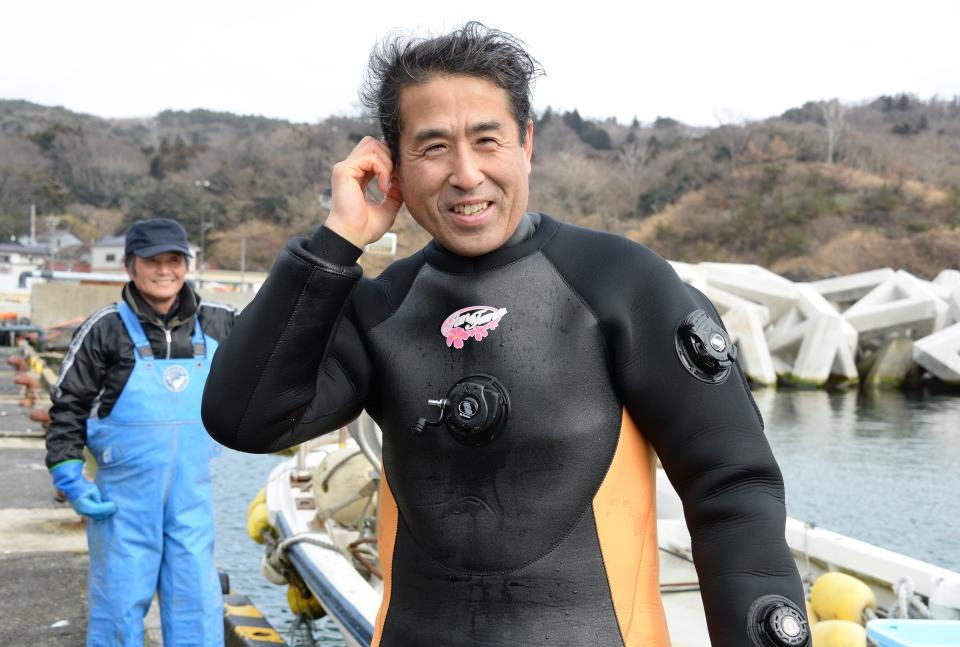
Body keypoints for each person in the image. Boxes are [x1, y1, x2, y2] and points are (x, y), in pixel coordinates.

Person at [202, 23, 810, 647]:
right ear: (395, 166)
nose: (466, 175)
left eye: (487, 140)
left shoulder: (620, 285)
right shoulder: (382, 307)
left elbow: (731, 486)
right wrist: (336, 242)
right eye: (433, 148)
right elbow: (243, 419)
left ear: (527, 144)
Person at [46, 218, 236, 647]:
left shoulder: (221, 322)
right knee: (118, 606)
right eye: (153, 261)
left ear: (187, 265)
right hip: (123, 505)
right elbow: (67, 406)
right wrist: (69, 476)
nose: (164, 270)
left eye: (174, 260)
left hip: (192, 499)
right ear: (131, 266)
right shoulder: (104, 328)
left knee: (198, 607)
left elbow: (278, 346)